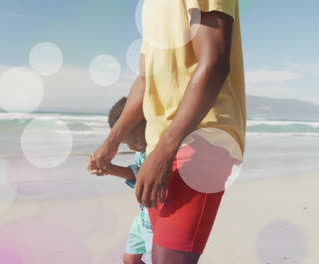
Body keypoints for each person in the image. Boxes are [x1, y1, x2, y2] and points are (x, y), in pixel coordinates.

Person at [91, 0, 246, 263]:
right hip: (158, 146)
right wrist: (112, 142)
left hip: (202, 138)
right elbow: (144, 79)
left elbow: (215, 63)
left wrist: (163, 152)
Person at [87, 97, 152, 264]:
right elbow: (136, 176)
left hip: (156, 224)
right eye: (126, 144)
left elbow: (145, 180)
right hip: (143, 218)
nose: (132, 148)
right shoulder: (141, 152)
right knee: (130, 259)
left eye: (135, 141)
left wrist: (111, 169)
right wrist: (108, 168)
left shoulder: (157, 153)